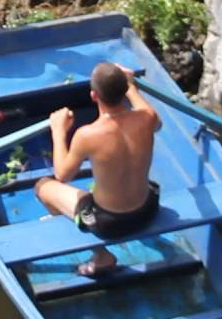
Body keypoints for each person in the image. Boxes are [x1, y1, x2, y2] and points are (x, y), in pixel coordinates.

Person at [34, 62, 162, 276]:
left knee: (43, 187)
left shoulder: (87, 135)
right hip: (148, 209)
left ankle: (102, 257)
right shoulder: (148, 117)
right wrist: (130, 87)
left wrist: (58, 130)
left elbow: (62, 174)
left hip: (109, 224)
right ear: (124, 91)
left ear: (93, 96)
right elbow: (154, 120)